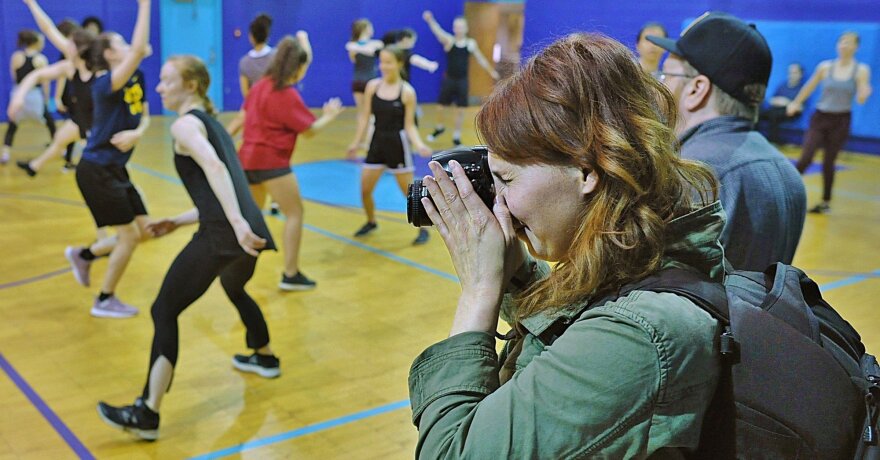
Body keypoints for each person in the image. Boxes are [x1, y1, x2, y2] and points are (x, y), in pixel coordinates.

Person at [409, 32, 722, 457]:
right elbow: (580, 323)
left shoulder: (638, 337)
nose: (497, 202)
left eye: (507, 179)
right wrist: (515, 271)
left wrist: (480, 290)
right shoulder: (646, 255)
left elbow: (452, 453)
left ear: (586, 170)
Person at [97, 55, 279, 441]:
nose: (159, 88)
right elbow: (219, 187)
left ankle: (147, 411)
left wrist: (235, 224)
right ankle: (264, 355)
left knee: (164, 309)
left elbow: (214, 169)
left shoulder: (184, 125)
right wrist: (179, 221)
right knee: (234, 287)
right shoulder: (213, 123)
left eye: (166, 81)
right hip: (249, 233)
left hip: (227, 233)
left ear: (191, 85)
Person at [23, 0, 153, 317]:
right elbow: (136, 50)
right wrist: (145, 6)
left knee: (146, 230)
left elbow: (143, 115)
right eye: (119, 43)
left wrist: (139, 133)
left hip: (113, 167)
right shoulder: (106, 81)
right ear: (108, 54)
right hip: (97, 169)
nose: (127, 45)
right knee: (128, 237)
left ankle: (84, 255)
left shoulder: (133, 78)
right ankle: (105, 299)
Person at [648, 12, 806, 271]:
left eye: (667, 75)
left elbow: (650, 296)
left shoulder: (695, 173)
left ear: (697, 90)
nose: (661, 85)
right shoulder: (789, 174)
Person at [238, 33, 343, 291]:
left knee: (252, 219)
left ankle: (237, 269)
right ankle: (290, 273)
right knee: (295, 213)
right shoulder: (286, 95)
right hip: (271, 162)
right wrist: (330, 116)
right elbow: (309, 131)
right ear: (295, 67)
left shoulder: (259, 85)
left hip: (247, 160)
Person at [347, 47, 432, 245]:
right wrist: (356, 142)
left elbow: (409, 125)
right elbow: (365, 117)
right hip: (377, 143)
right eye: (382, 62)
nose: (384, 66)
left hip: (397, 145)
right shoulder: (372, 87)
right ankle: (371, 221)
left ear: (400, 64)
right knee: (365, 190)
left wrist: (419, 145)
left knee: (409, 194)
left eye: (389, 62)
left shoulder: (407, 92)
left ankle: (423, 229)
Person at [787, 31, 873, 214]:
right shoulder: (825, 67)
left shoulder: (861, 70)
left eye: (849, 43)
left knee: (829, 162)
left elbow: (861, 97)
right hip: (820, 117)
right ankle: (785, 190)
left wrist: (864, 93)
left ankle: (825, 202)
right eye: (842, 42)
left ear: (856, 47)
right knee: (806, 157)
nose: (845, 45)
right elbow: (809, 86)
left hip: (841, 120)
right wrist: (796, 102)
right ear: (837, 45)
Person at [11, 29, 95, 177]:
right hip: (82, 119)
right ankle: (35, 166)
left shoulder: (99, 71)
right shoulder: (69, 67)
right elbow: (38, 75)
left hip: (98, 126)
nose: (65, 46)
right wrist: (19, 95)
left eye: (70, 44)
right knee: (60, 139)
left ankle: (41, 165)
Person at [423, 11, 499, 146]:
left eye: (461, 26)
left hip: (462, 80)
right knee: (440, 106)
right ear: (454, 28)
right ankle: (440, 127)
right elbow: (438, 31)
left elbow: (480, 58)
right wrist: (430, 20)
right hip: (449, 79)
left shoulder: (470, 44)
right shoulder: (449, 41)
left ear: (466, 28)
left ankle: (456, 135)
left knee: (460, 109)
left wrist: (491, 71)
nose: (458, 29)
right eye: (456, 26)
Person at [2, 29, 57, 164]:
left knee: (12, 125)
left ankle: (5, 153)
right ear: (36, 42)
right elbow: (45, 82)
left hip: (18, 93)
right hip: (34, 96)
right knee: (50, 122)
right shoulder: (41, 59)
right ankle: (60, 148)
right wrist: (46, 98)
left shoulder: (16, 56)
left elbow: (14, 77)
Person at [226, 13, 273, 137]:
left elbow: (246, 92)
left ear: (251, 37)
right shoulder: (277, 57)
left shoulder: (245, 62)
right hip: (275, 103)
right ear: (267, 35)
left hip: (254, 104)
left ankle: (218, 145)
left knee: (236, 124)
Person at [758, 62, 805, 144]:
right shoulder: (782, 86)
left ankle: (773, 141)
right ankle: (754, 138)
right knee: (758, 112)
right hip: (775, 109)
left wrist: (787, 102)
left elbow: (801, 107)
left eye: (795, 73)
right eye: (790, 72)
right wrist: (776, 101)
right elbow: (772, 99)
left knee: (774, 115)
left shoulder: (802, 89)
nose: (791, 75)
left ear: (800, 74)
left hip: (790, 112)